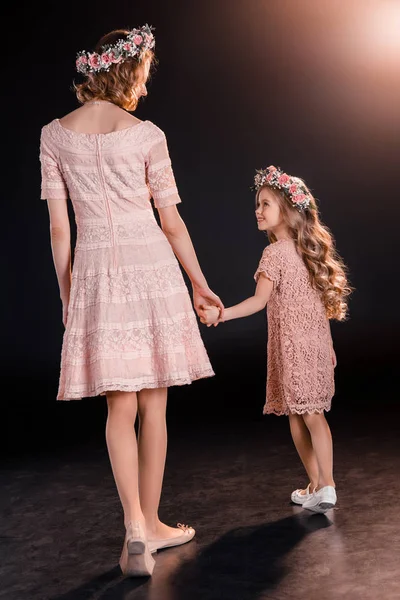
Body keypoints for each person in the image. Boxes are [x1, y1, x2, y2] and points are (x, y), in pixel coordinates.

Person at [39, 25, 224, 577]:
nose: (144, 89)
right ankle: (152, 521)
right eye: (143, 77)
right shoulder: (147, 135)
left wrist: (69, 296)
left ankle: (137, 530)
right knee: (154, 405)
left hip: (97, 271)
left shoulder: (53, 135)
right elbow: (171, 221)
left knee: (118, 407)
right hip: (150, 270)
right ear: (126, 74)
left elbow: (57, 229)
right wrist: (198, 282)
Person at [200, 165, 351, 514]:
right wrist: (328, 345)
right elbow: (318, 306)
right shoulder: (308, 252)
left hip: (293, 347)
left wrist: (220, 314)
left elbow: (258, 301)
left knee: (301, 415)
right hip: (314, 344)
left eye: (265, 203)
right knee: (310, 414)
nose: (258, 210)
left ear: (287, 209)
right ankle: (319, 486)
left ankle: (324, 484)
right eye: (257, 204)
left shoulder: (275, 254)